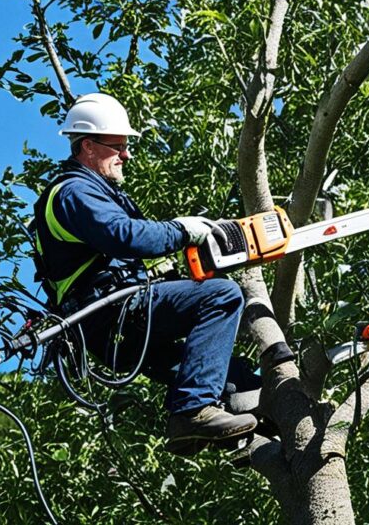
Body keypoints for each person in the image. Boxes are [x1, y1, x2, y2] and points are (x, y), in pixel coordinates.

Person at [30, 92, 257, 455]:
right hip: (114, 312)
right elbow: (125, 236)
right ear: (88, 146)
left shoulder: (93, 192)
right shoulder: (73, 192)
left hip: (114, 327)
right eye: (118, 146)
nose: (126, 155)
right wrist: (181, 230)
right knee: (222, 296)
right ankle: (193, 413)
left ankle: (239, 434)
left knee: (229, 376)